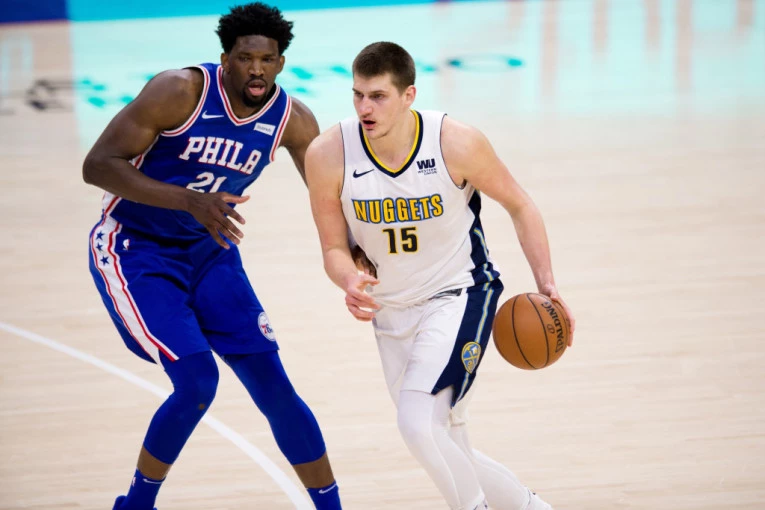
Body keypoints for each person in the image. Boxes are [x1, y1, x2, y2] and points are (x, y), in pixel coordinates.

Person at [82, 3, 342, 509]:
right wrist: (188, 201)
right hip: (136, 249)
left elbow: (330, 195)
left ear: (281, 63)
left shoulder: (292, 119)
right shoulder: (179, 92)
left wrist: (359, 251)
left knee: (274, 387)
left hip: (211, 254)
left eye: (267, 60)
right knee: (198, 381)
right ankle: (135, 504)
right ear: (225, 59)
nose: (256, 70)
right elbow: (98, 165)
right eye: (245, 59)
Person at [305, 41, 575, 510]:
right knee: (444, 440)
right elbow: (332, 248)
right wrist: (347, 278)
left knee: (417, 425)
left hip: (459, 293)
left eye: (378, 96)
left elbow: (520, 205)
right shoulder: (329, 153)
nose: (365, 108)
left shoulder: (455, 142)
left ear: (409, 95)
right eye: (358, 95)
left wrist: (546, 281)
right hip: (391, 309)